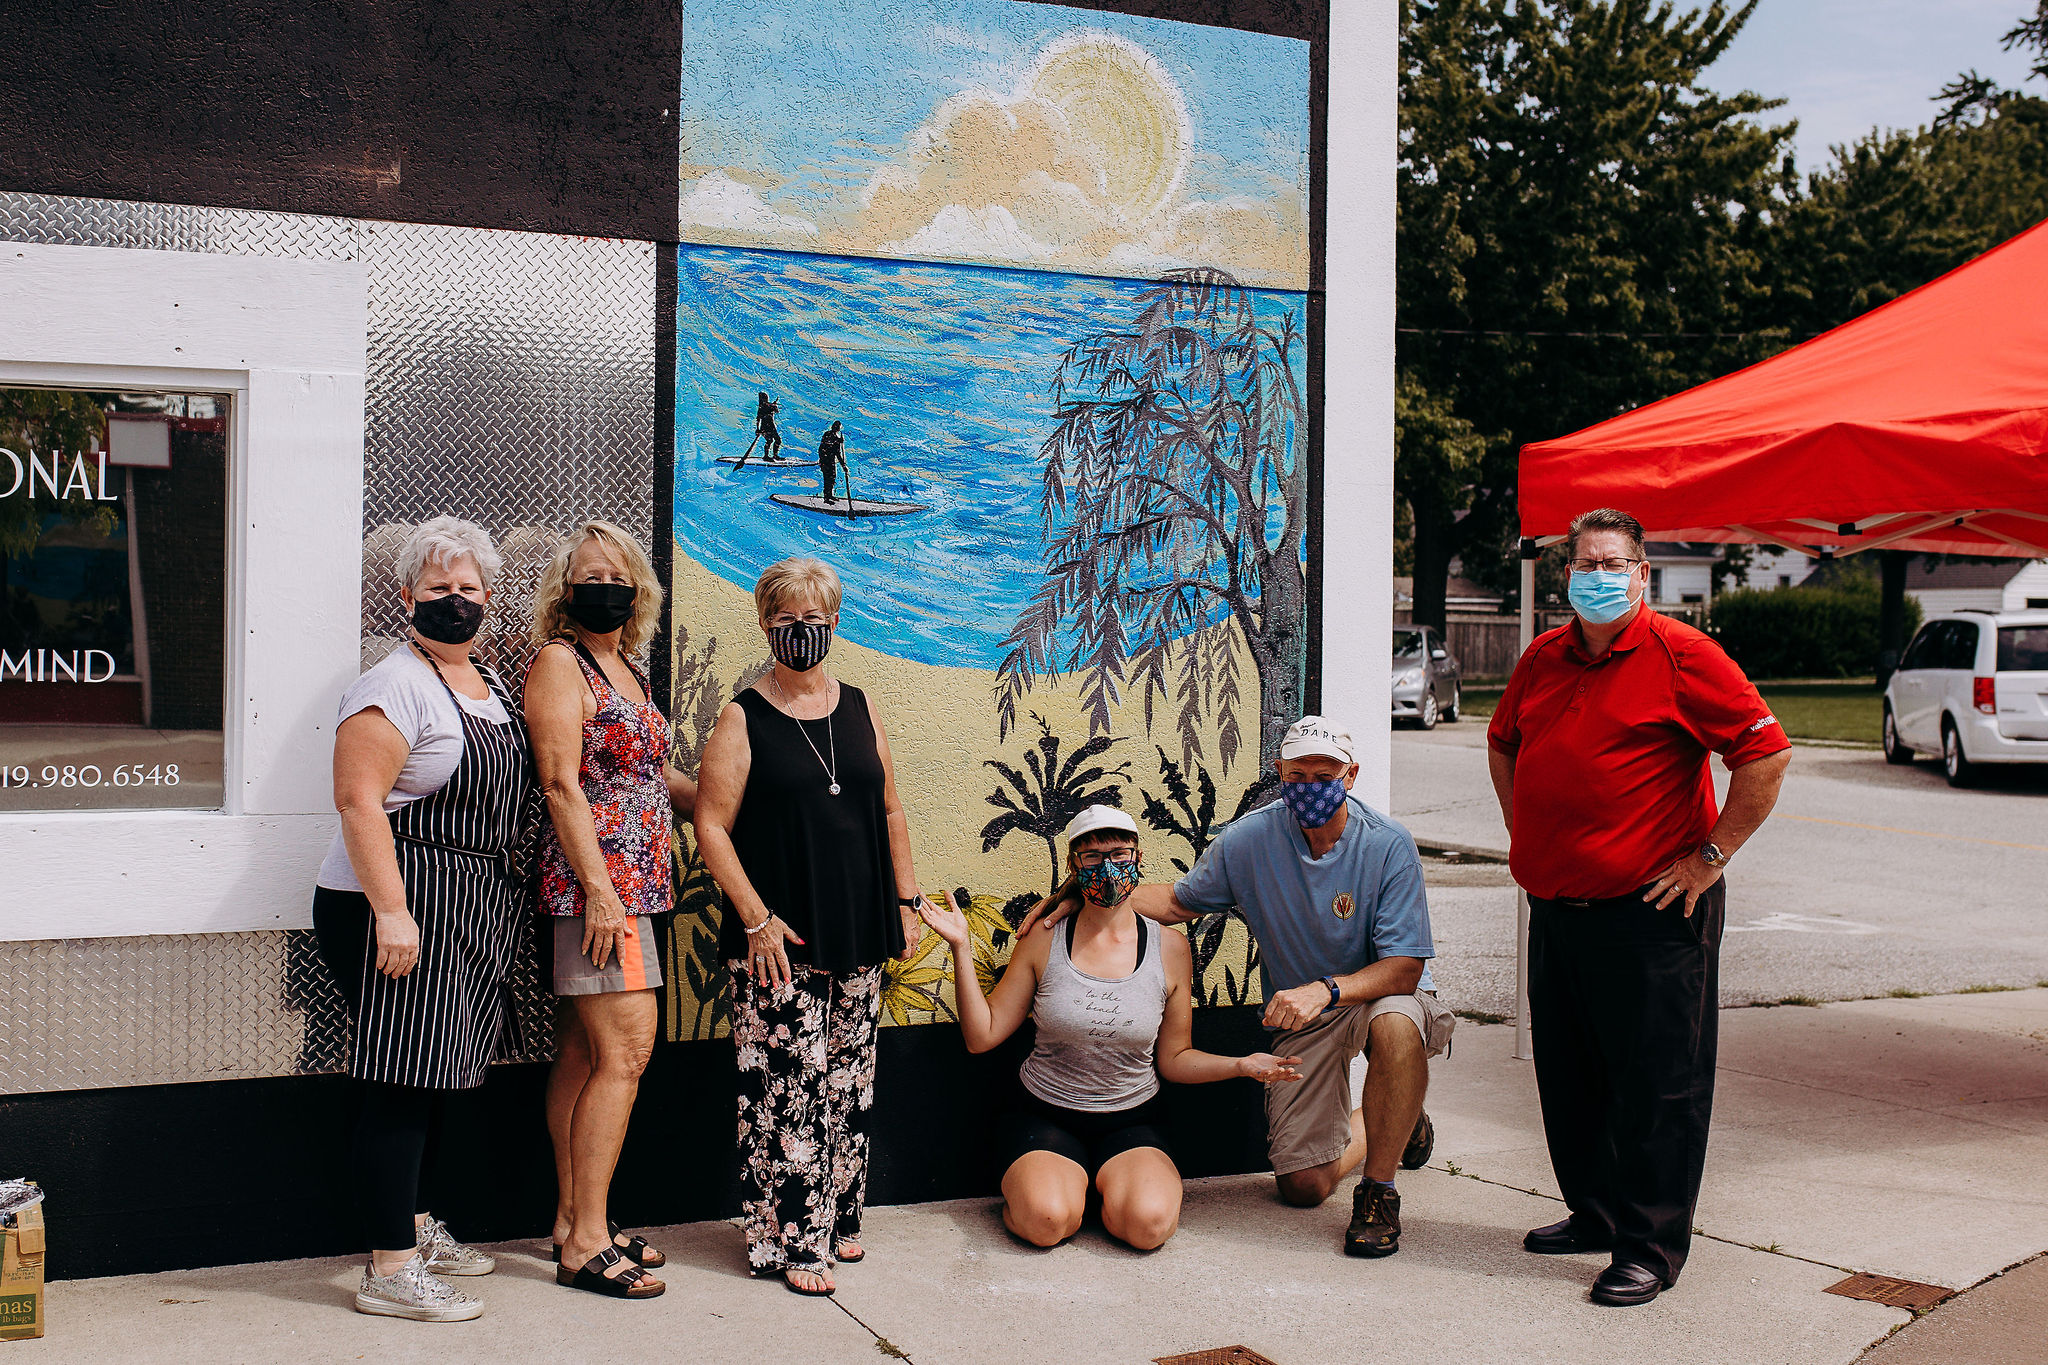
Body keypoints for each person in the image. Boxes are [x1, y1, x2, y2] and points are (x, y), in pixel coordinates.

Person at [1487, 507, 1791, 1307]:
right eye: (1585, 563)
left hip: (1651, 913)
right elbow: (1504, 740)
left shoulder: (1682, 654)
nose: (1597, 575)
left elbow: (1766, 751)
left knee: (1658, 1086)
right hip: (1558, 907)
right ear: (1565, 577)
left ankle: (1649, 1245)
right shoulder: (1544, 657)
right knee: (1571, 1075)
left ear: (1643, 573)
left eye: (1614, 562)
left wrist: (1709, 858)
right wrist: (1528, 831)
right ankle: (1594, 1211)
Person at [1025, 716, 1452, 1259]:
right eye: (1296, 775)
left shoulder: (1388, 845)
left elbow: (1404, 968)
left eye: (1326, 774)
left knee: (1394, 1023)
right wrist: (1086, 894)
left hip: (1374, 991)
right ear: (1279, 773)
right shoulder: (1250, 839)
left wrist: (1325, 988)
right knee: (1304, 1187)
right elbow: (1180, 902)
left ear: (1351, 775)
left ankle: (1378, 1192)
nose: (1310, 787)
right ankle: (1396, 1118)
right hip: (1302, 1013)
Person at [313, 516, 532, 1323]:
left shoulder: (485, 684)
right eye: (438, 588)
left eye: (469, 588)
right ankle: (389, 1269)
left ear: (488, 596)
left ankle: (410, 1225)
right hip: (395, 906)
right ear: (406, 594)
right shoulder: (392, 682)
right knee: (401, 1081)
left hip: (464, 906)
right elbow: (357, 799)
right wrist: (393, 911)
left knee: (433, 1078)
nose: (455, 601)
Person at [693, 557, 929, 1298]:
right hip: (779, 935)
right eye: (789, 619)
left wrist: (906, 898)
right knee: (787, 1086)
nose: (805, 631)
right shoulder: (743, 715)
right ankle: (788, 1237)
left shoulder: (858, 704)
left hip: (861, 922)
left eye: (816, 617)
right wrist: (755, 916)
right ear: (767, 624)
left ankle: (838, 1219)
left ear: (835, 620)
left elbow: (887, 806)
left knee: (850, 1079)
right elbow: (710, 825)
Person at [921, 806, 1301, 1252]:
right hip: (1045, 1114)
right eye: (1093, 856)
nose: (1109, 867)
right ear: (1072, 864)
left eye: (1120, 854)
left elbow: (1175, 1058)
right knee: (1045, 1222)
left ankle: (1101, 1194)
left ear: (1139, 859)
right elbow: (981, 1036)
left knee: (1149, 1226)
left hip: (1132, 1119)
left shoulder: (1171, 948)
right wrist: (961, 948)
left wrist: (1242, 1064)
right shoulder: (1044, 937)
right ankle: (1061, 1194)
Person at [526, 520, 700, 1301]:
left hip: (634, 888)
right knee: (626, 1052)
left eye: (618, 573)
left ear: (638, 590)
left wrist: (738, 802)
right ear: (566, 591)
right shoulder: (561, 664)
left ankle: (573, 1218)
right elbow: (562, 783)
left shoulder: (624, 665)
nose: (606, 584)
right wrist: (600, 890)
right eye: (589, 574)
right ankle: (588, 1242)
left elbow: (657, 778)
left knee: (584, 1053)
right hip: (600, 894)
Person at [741, 391, 782, 463]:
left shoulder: (766, 406)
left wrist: (757, 429)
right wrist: (758, 429)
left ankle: (775, 455)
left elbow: (759, 419)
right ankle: (766, 456)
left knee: (777, 440)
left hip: (771, 426)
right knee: (770, 441)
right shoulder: (765, 407)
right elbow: (759, 419)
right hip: (765, 427)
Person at [818, 420, 846, 503]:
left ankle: (830, 495)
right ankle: (826, 498)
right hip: (825, 461)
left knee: (832, 478)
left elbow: (837, 453)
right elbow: (823, 446)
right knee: (827, 479)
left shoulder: (836, 439)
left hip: (831, 462)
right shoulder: (827, 435)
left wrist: (843, 465)